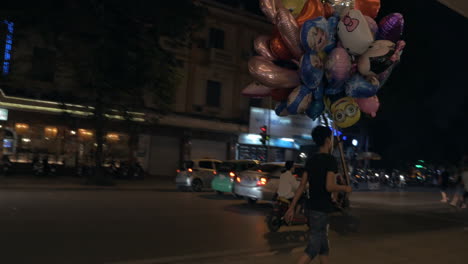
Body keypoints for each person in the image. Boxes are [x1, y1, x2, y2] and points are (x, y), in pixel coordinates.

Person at [285, 126, 352, 264]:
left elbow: (302, 186)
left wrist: (292, 207)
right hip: (321, 210)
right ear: (328, 140)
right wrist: (345, 188)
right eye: (332, 139)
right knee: (313, 248)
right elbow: (330, 186)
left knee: (323, 248)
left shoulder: (311, 160)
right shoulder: (330, 160)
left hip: (310, 208)